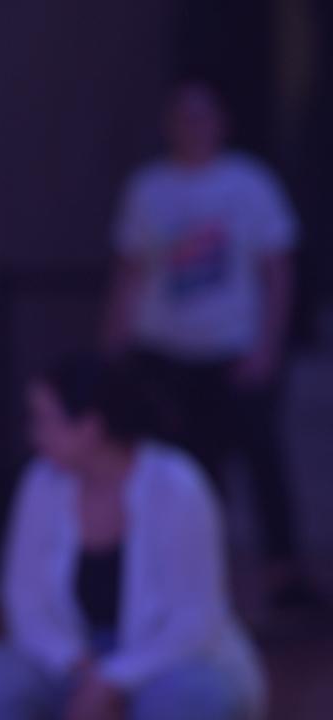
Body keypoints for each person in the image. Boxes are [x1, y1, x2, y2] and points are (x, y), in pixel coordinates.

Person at [0, 354, 265, 720]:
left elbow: (196, 618)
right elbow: (24, 601)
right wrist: (78, 667)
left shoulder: (178, 486)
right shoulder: (41, 483)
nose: (34, 434)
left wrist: (114, 678)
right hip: (72, 664)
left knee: (190, 699)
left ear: (90, 428)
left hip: (162, 665)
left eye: (45, 420)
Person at [102, 81, 313, 607]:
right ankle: (177, 579)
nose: (193, 127)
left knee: (261, 463)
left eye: (203, 116)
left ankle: (282, 577)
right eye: (183, 116)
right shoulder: (149, 188)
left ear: (221, 122)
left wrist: (268, 347)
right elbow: (128, 272)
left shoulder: (249, 184)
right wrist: (114, 348)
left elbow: (279, 270)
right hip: (164, 351)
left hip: (233, 348)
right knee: (174, 470)